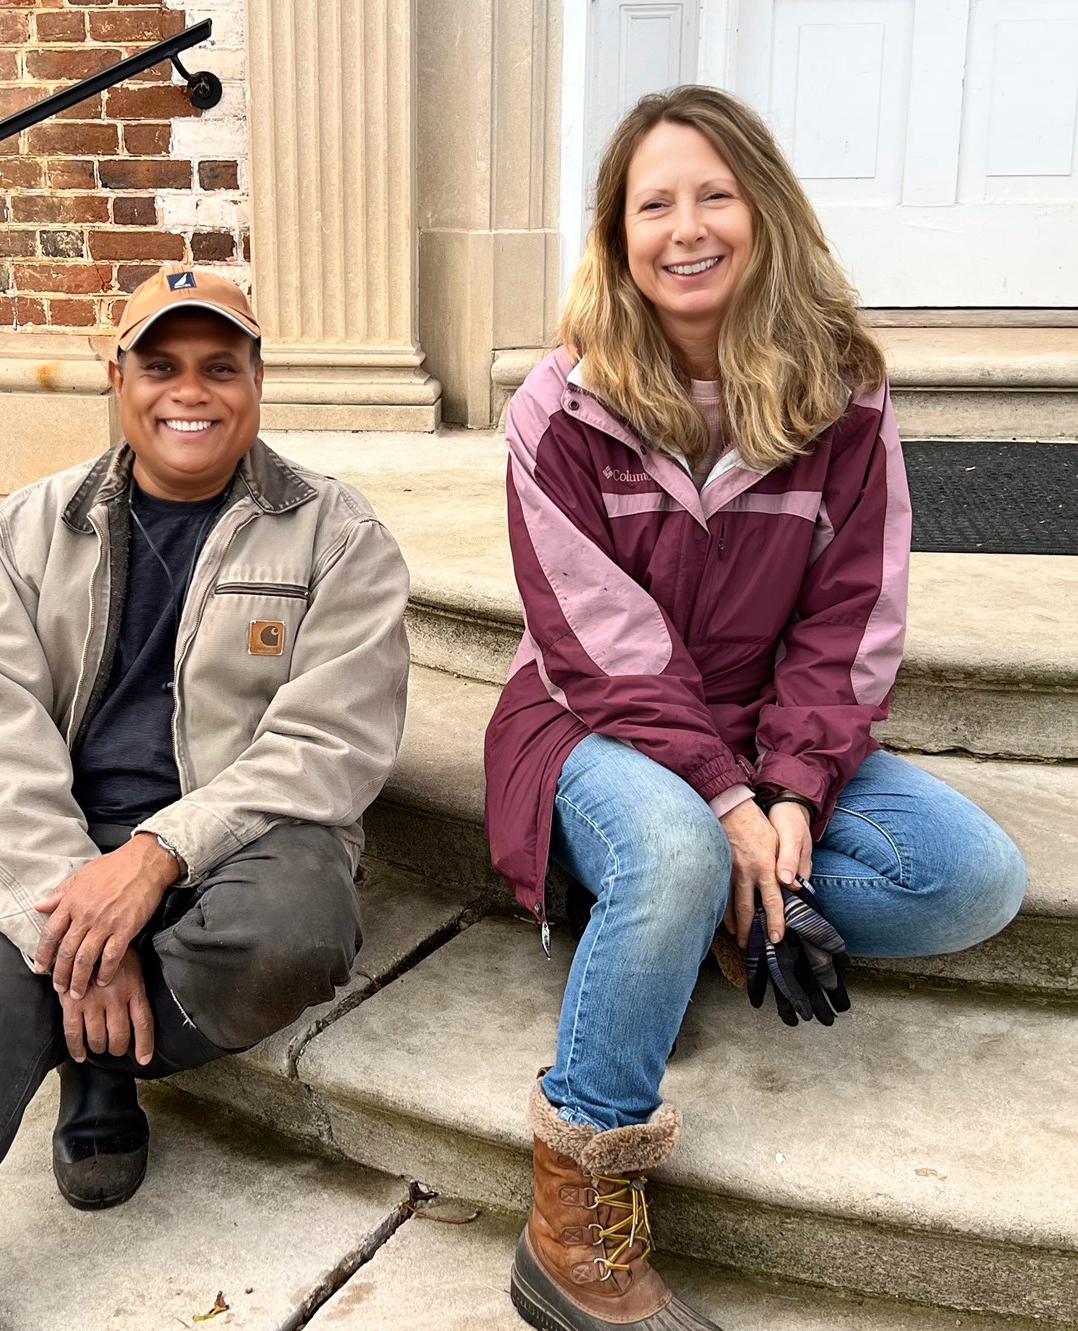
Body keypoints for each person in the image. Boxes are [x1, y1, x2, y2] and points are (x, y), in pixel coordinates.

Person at [484, 86, 1027, 1331]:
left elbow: (850, 620)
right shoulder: (558, 409)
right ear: (617, 236)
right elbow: (599, 645)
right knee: (671, 843)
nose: (686, 227)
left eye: (713, 194)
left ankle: (712, 920)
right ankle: (575, 1215)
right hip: (591, 722)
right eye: (652, 203)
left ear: (763, 210)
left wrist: (791, 786)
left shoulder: (845, 395)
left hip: (763, 724)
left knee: (970, 876)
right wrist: (729, 802)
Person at [0, 265, 412, 1330]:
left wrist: (154, 856)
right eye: (159, 365)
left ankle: (97, 1050)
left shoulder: (337, 535)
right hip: (61, 838)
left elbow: (328, 743)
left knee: (297, 928)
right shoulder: (29, 528)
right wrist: (77, 904)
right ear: (118, 375)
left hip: (234, 837)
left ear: (256, 379)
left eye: (217, 366)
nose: (188, 392)